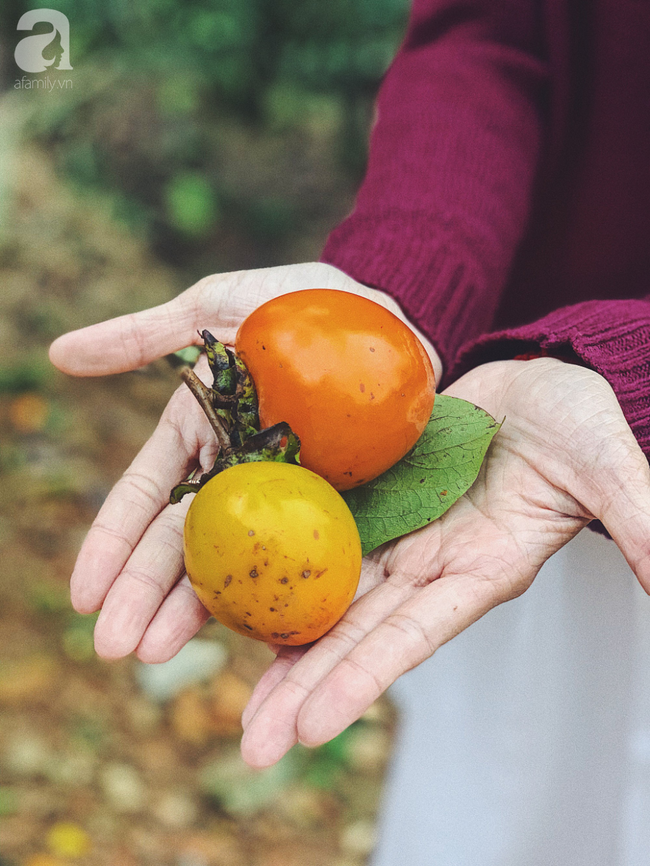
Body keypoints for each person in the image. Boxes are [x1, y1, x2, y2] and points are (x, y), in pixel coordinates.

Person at [49, 0, 650, 861]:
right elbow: (492, 35)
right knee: (509, 792)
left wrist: (633, 374)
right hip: (519, 483)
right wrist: (398, 286)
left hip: (555, 426)